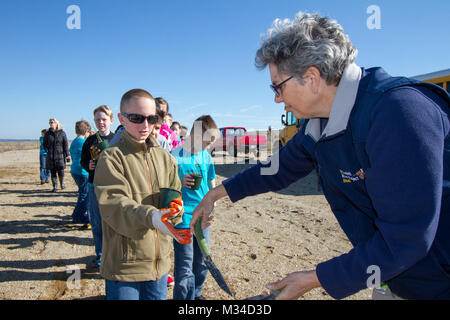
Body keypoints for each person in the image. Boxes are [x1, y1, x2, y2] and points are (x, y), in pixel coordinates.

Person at [190, 12, 450, 300]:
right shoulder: (319, 124)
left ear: (312, 78)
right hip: (396, 278)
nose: (276, 98)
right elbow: (277, 168)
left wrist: (315, 278)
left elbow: (406, 239)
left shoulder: (397, 112)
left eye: (277, 86)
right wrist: (216, 194)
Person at [93, 89, 192, 300]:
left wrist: (176, 210)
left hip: (159, 265)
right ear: (122, 118)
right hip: (125, 266)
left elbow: (175, 195)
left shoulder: (165, 158)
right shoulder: (111, 157)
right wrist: (152, 216)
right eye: (137, 118)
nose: (145, 125)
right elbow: (114, 204)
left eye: (151, 118)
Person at [171, 115, 219, 300]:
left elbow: (210, 180)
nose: (208, 146)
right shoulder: (174, 155)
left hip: (202, 217)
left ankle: (196, 293)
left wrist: (213, 205)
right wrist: (179, 182)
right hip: (182, 217)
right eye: (207, 142)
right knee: (184, 266)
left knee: (201, 262)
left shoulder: (205, 155)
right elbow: (164, 186)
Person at [80, 105, 115, 268]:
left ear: (111, 120)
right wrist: (89, 165)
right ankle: (101, 254)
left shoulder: (117, 140)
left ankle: (114, 252)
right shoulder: (90, 141)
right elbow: (82, 161)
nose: (101, 122)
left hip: (114, 186)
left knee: (114, 221)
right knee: (97, 221)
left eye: (104, 119)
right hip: (94, 185)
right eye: (97, 120)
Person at [69, 120, 91, 225]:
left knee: (82, 193)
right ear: (86, 130)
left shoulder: (74, 141)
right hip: (82, 171)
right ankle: (79, 216)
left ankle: (76, 214)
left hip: (74, 170)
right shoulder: (83, 142)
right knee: (84, 195)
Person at [43, 118, 70, 192]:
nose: (51, 123)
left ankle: (62, 183)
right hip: (51, 155)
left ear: (56, 123)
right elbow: (44, 144)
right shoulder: (48, 133)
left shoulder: (62, 133)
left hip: (60, 155)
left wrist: (67, 154)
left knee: (61, 171)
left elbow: (65, 145)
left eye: (52, 122)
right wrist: (47, 150)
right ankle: (54, 186)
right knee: (53, 172)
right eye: (50, 122)